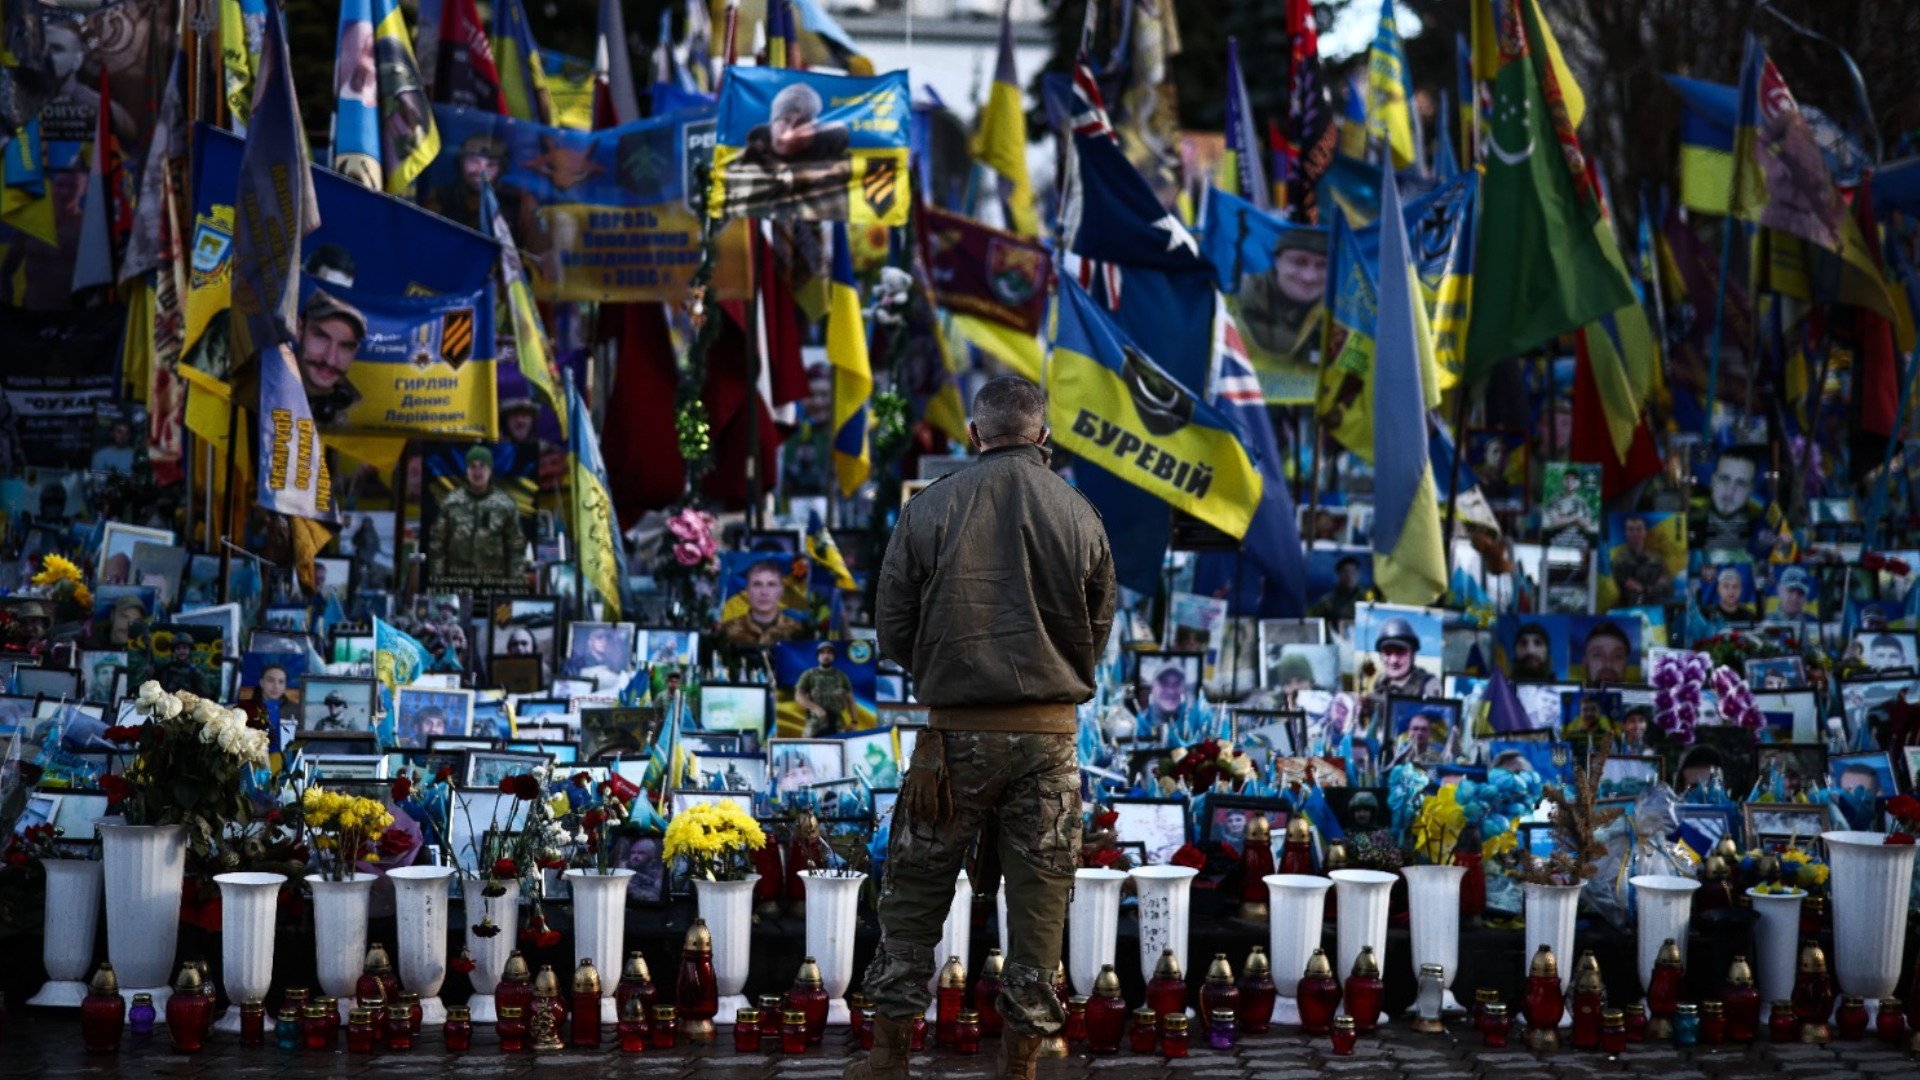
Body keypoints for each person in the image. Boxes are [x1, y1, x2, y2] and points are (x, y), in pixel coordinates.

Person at [854, 376, 1115, 1080]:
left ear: (974, 435)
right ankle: (1021, 1063)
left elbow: (892, 627)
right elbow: (1097, 629)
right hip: (1048, 738)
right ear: (1043, 435)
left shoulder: (930, 508)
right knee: (1040, 902)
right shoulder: (1080, 512)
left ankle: (888, 1057)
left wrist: (945, 674)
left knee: (913, 893)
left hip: (953, 738)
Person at [728, 81, 852, 221]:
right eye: (785, 120)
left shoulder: (837, 171)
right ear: (772, 124)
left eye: (803, 123)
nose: (790, 132)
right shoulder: (741, 166)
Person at [430, 446, 525, 583]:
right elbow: (437, 541)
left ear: (490, 471)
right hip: (457, 580)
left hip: (494, 581)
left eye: (482, 466)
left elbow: (515, 545)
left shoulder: (505, 504)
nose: (477, 471)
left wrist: (515, 582)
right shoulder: (451, 502)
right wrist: (438, 579)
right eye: (472, 466)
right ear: (466, 471)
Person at [1238, 228, 1327, 361]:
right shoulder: (1240, 298)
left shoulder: (1347, 312)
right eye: (1299, 262)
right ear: (1277, 261)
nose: (1309, 277)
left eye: (1322, 265)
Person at [297, 291, 368, 424]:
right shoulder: (258, 386)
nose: (330, 360)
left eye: (345, 346)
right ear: (299, 329)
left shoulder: (363, 413)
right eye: (321, 337)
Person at [718, 560, 803, 646]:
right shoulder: (728, 632)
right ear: (747, 590)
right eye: (757, 584)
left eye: (771, 585)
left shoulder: (797, 633)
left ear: (781, 591)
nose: (764, 592)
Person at [1696, 449, 1762, 558]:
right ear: (1713, 480)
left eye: (1741, 483)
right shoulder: (1687, 524)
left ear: (1750, 490)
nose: (1730, 491)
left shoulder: (1763, 532)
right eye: (1724, 479)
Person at [1369, 617, 1442, 703]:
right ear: (1381, 656)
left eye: (1400, 651)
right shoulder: (1381, 684)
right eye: (1387, 652)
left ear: (1413, 654)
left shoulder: (1428, 686)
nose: (1393, 660)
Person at [796, 642, 855, 737]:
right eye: (822, 652)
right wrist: (815, 708)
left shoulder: (841, 676)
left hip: (837, 722)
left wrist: (854, 722)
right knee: (810, 748)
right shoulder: (809, 675)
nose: (826, 655)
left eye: (829, 652)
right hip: (816, 722)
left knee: (840, 748)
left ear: (833, 656)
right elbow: (798, 696)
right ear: (818, 656)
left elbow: (850, 700)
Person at [1610, 515, 1672, 605]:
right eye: (1631, 530)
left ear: (1645, 532)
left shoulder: (1656, 561)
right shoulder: (1618, 563)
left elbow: (1668, 588)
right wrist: (1655, 586)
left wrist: (1643, 588)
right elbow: (1629, 592)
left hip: (1654, 610)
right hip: (1628, 611)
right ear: (1626, 533)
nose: (1636, 534)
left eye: (1639, 529)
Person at [1308, 555, 1371, 622]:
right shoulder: (1327, 602)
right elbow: (1316, 624)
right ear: (1338, 574)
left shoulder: (1366, 600)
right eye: (1345, 572)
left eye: (1353, 572)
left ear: (1358, 575)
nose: (1349, 576)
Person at [566, 624, 630, 690]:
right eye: (599, 637)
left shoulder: (612, 664)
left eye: (607, 638)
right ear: (590, 642)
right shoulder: (579, 664)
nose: (604, 641)